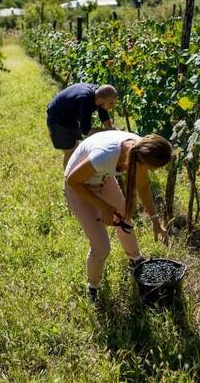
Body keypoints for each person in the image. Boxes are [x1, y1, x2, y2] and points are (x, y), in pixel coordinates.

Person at [64, 130, 172, 302]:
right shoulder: (105, 156)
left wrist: (155, 221)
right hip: (78, 186)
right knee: (101, 247)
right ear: (143, 161)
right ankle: (93, 287)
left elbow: (143, 187)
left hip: (102, 179)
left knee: (125, 220)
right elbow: (72, 180)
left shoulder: (139, 151)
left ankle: (135, 259)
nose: (149, 170)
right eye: (151, 167)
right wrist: (102, 206)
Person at [47, 83, 117, 168]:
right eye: (111, 103)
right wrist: (106, 132)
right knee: (71, 152)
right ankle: (68, 179)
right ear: (101, 100)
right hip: (57, 118)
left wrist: (111, 129)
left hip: (69, 116)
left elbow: (103, 113)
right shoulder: (85, 100)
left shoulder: (98, 93)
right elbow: (86, 131)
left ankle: (74, 176)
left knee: (76, 149)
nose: (113, 106)